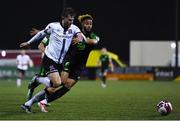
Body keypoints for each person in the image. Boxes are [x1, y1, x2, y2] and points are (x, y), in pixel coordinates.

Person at [22, 14, 100, 113]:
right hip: (68, 62)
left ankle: (41, 101)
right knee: (57, 84)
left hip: (79, 66)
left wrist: (83, 40)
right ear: (82, 24)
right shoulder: (73, 32)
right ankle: (32, 101)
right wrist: (40, 33)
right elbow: (57, 33)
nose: (89, 26)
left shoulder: (91, 35)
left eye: (90, 24)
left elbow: (94, 41)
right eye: (87, 24)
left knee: (67, 86)